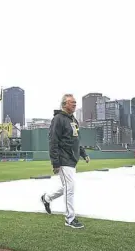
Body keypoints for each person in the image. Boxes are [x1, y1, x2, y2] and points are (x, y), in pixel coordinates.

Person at [41, 94, 90, 229]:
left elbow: (76, 140)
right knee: (70, 188)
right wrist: (55, 163)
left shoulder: (73, 120)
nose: (75, 104)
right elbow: (53, 142)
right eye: (72, 102)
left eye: (75, 102)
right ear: (64, 104)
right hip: (63, 159)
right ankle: (70, 219)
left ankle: (46, 198)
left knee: (67, 188)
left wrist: (83, 154)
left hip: (72, 159)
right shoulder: (58, 119)